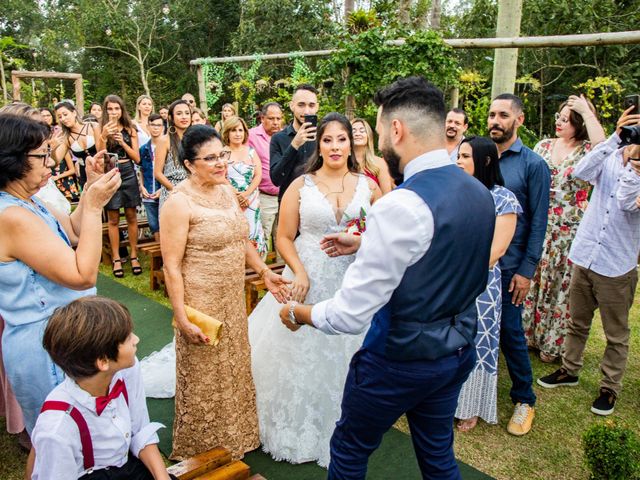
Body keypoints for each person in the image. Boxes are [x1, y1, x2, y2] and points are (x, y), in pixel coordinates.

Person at [278, 77, 495, 479]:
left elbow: (349, 316)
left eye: (377, 131)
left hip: (398, 360)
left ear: (396, 130)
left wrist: (298, 313)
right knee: (438, 456)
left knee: (348, 450)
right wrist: (362, 244)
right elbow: (436, 251)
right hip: (458, 350)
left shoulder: (401, 205)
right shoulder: (479, 192)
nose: (377, 143)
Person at [249, 113, 380, 468]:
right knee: (298, 351)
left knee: (348, 353)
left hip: (352, 281)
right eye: (328, 140)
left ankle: (345, 422)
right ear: (318, 144)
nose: (335, 146)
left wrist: (361, 240)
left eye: (341, 139)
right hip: (307, 277)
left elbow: (383, 236)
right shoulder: (301, 185)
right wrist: (300, 271)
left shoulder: (369, 186)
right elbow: (283, 236)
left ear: (351, 144)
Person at [160, 125, 290, 460]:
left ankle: (238, 436)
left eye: (223, 155)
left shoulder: (228, 190)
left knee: (232, 369)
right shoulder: (178, 202)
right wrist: (181, 316)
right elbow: (171, 266)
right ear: (190, 164)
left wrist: (264, 271)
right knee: (205, 376)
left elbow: (240, 238)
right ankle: (202, 447)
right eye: (211, 158)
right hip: (199, 301)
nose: (221, 163)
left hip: (232, 297)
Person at [0, 113, 120, 438]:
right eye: (42, 155)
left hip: (63, 334)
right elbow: (81, 274)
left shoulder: (28, 201)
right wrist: (95, 208)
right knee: (60, 442)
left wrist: (91, 187)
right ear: (13, 159)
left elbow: (74, 230)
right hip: (46, 345)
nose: (51, 163)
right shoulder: (11, 216)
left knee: (71, 442)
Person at [537, 106, 640, 416]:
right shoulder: (609, 154)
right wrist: (614, 138)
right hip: (584, 254)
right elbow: (580, 172)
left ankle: (609, 388)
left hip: (616, 265)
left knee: (616, 334)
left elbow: (625, 203)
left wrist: (635, 169)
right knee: (576, 321)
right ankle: (569, 369)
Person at [31, 296, 174, 480]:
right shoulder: (58, 429)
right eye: (128, 337)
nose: (136, 339)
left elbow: (140, 429)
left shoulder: (128, 370)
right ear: (103, 362)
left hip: (127, 466)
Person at [522, 95, 605, 363]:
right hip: (540, 222)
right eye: (559, 116)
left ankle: (553, 343)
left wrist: (585, 109)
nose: (560, 122)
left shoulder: (587, 151)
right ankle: (527, 335)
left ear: (579, 124)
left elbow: (604, 147)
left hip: (570, 228)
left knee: (561, 284)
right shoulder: (543, 145)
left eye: (567, 119)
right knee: (536, 277)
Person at [487, 93, 551, 435]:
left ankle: (524, 399)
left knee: (510, 332)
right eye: (491, 114)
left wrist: (527, 270)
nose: (495, 121)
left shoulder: (532, 164)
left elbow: (539, 221)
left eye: (503, 115)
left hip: (511, 266)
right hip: (477, 263)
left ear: (519, 120)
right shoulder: (480, 156)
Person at [454, 136, 521, 432]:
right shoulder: (453, 193)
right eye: (458, 155)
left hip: (481, 281)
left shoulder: (503, 198)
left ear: (485, 161)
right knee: (450, 338)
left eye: (465, 156)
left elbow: (497, 250)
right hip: (448, 276)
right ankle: (445, 399)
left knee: (478, 340)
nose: (458, 161)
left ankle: (471, 406)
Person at [97, 95, 142, 278]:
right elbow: (100, 155)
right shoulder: (101, 128)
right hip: (110, 171)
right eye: (110, 109)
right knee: (113, 218)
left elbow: (137, 158)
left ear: (122, 110)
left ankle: (133, 255)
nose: (114, 112)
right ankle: (116, 258)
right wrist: (104, 136)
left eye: (117, 108)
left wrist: (123, 141)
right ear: (106, 111)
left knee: (131, 215)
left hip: (128, 171)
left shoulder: (130, 129)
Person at [223, 116, 268, 257]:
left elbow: (258, 175)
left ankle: (257, 265)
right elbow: (220, 177)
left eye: (240, 130)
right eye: (233, 130)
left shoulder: (251, 152)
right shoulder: (222, 153)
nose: (237, 134)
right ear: (227, 133)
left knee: (253, 230)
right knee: (234, 232)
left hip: (252, 199)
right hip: (230, 198)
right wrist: (236, 194)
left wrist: (246, 194)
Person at [270, 84, 319, 202]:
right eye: (301, 105)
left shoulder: (324, 137)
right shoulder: (278, 138)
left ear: (317, 107)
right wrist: (294, 145)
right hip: (288, 205)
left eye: (311, 105)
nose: (307, 111)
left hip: (318, 205)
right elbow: (276, 179)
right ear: (292, 106)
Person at [248, 102, 283, 251]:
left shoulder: (285, 136)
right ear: (262, 118)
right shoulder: (251, 136)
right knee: (263, 236)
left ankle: (285, 272)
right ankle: (262, 272)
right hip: (264, 196)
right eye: (271, 118)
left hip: (286, 195)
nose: (276, 122)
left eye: (279, 118)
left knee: (284, 236)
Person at [53, 100, 101, 188]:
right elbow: (54, 162)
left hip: (101, 171)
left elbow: (102, 151)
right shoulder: (66, 138)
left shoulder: (92, 126)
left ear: (74, 113)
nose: (63, 119)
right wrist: (53, 147)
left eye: (65, 114)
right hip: (85, 177)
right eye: (60, 117)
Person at [155, 99, 191, 207]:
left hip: (193, 192)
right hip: (172, 193)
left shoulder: (196, 139)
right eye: (179, 113)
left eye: (187, 113)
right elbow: (157, 173)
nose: (184, 117)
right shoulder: (164, 140)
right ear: (171, 117)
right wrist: (174, 190)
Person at [351, 117, 394, 194]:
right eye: (353, 131)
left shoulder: (379, 163)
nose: (357, 134)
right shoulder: (342, 163)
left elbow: (387, 195)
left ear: (368, 136)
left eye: (362, 131)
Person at [139, 114, 164, 241]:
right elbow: (142, 169)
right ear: (148, 126)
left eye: (159, 125)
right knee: (154, 225)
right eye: (153, 125)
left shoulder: (167, 147)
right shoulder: (143, 149)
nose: (155, 128)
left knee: (166, 224)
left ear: (163, 127)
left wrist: (163, 189)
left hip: (163, 191)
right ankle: (158, 252)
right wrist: (142, 186)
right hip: (148, 191)